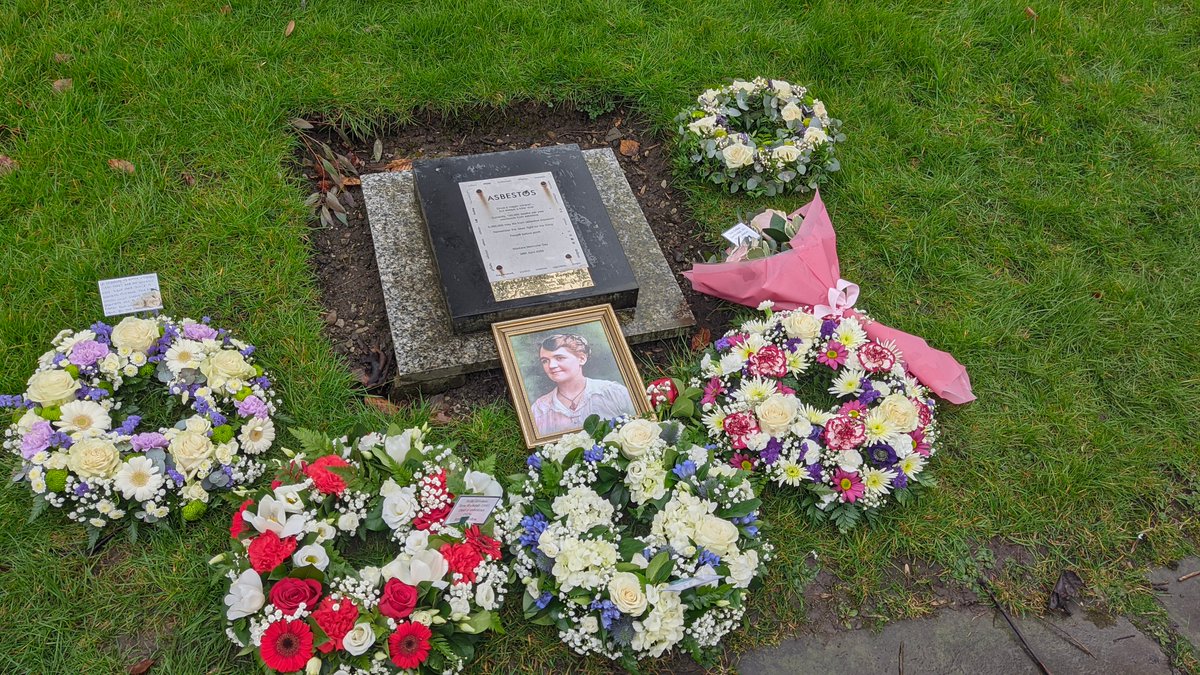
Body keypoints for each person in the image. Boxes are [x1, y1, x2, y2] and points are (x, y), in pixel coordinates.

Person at [529, 333, 636, 436]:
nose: (551, 365)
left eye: (559, 358)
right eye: (545, 361)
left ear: (581, 359)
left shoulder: (612, 392)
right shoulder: (540, 409)